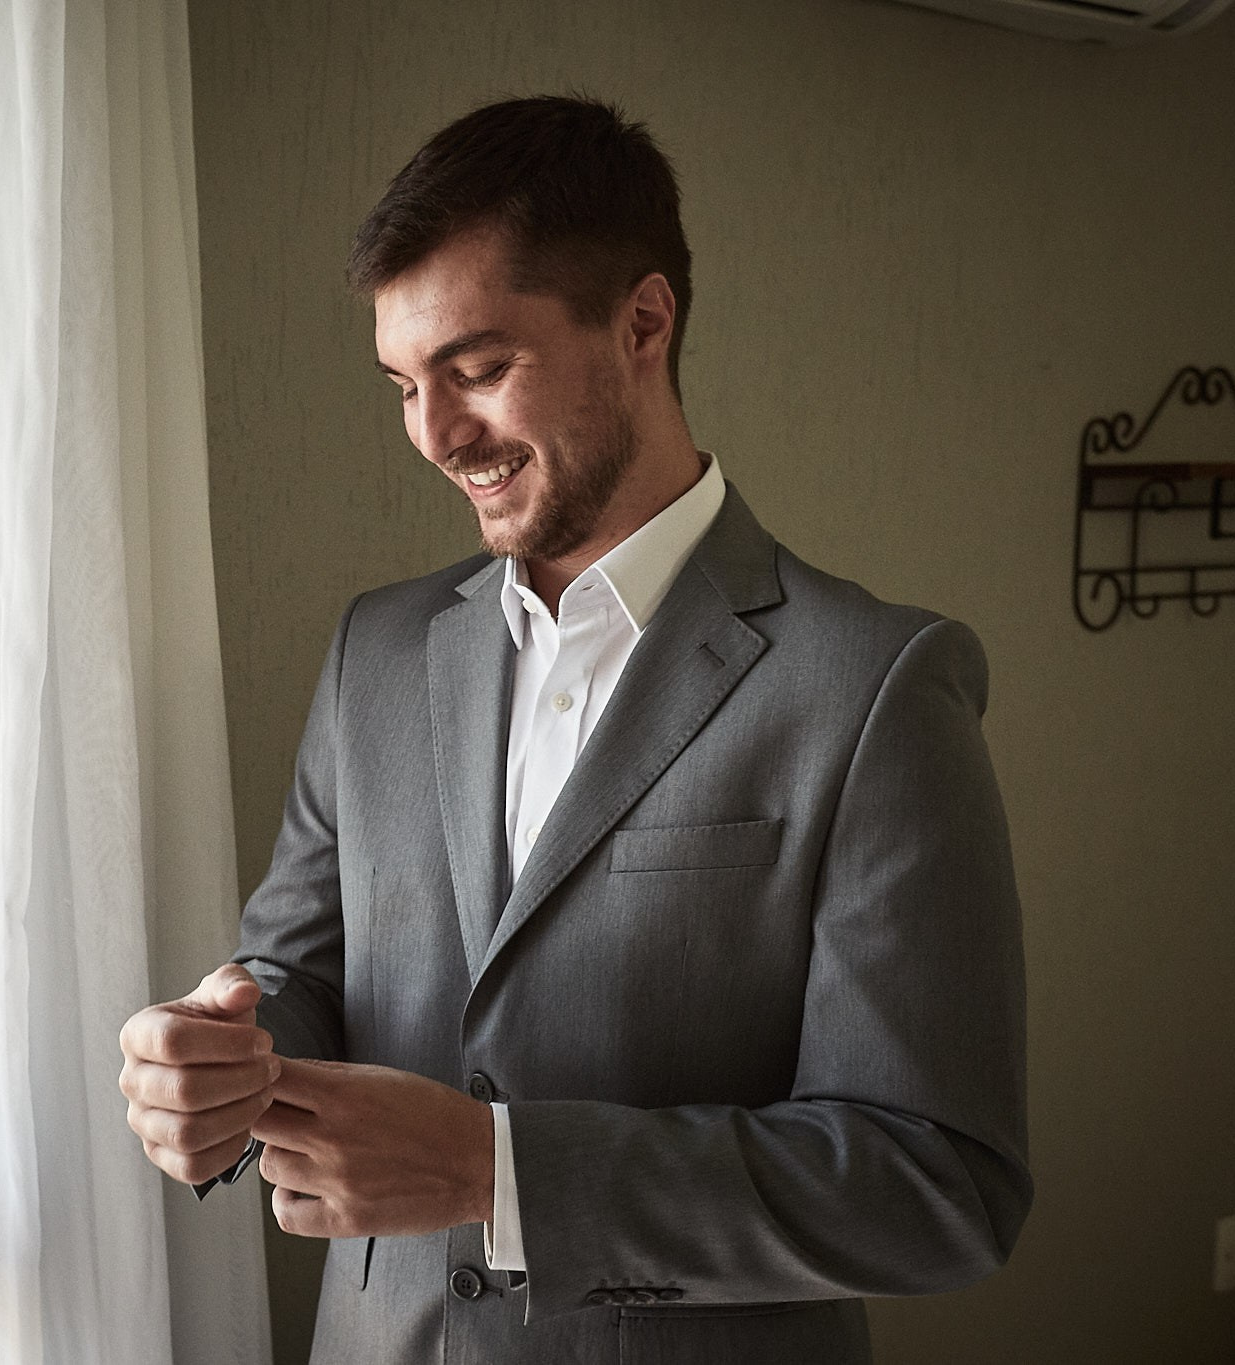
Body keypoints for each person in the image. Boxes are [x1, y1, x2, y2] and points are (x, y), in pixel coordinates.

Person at [117, 94, 1030, 1363]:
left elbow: (937, 1186)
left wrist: (500, 1172)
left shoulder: (875, 686)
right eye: (402, 383)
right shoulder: (372, 652)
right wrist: (226, 1058)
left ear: (642, 322)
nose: (434, 436)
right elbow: (301, 972)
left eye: (479, 371)